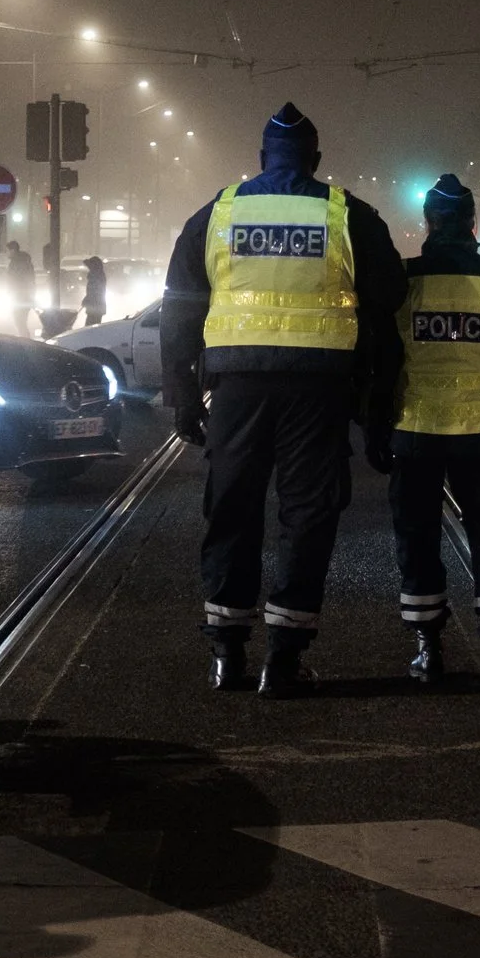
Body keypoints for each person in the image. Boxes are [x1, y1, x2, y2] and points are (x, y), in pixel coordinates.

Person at [161, 103, 405, 697]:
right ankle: (285, 657)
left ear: (260, 159)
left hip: (237, 388)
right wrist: (375, 404)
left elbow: (180, 311)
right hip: (318, 390)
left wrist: (183, 397)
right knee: (308, 515)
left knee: (233, 509)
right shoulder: (348, 215)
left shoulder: (217, 214)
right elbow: (389, 299)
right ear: (316, 160)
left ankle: (226, 652)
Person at [372, 175, 480, 690]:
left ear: (428, 222)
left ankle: (428, 648)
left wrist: (376, 429)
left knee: (417, 538)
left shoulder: (403, 282)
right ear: (474, 223)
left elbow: (383, 364)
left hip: (416, 429)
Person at [5, 240, 35, 335]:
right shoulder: (23, 261)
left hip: (20, 296)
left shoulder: (17, 263)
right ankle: (25, 340)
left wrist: (12, 290)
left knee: (19, 321)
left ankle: (25, 342)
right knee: (21, 322)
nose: (6, 253)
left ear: (13, 250)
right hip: (23, 296)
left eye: (7, 251)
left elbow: (16, 279)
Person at [82, 255, 109, 327]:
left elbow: (94, 292)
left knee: (90, 327)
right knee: (92, 326)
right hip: (97, 306)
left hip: (95, 307)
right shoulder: (98, 274)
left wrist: (87, 299)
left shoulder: (96, 275)